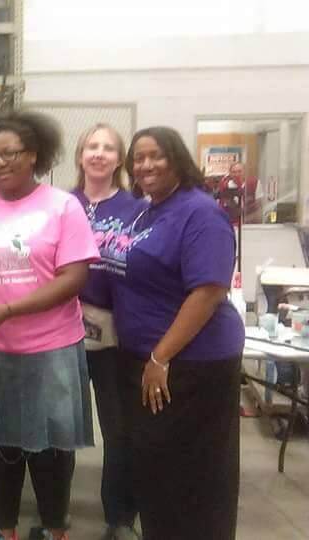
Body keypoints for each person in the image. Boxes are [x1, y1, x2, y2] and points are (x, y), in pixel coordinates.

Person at [0, 112, 98, 540]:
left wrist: (11, 309)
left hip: (51, 349)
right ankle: (5, 531)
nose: (1, 163)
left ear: (33, 155)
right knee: (5, 449)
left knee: (52, 452)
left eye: (11, 154)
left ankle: (56, 530)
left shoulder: (62, 206)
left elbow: (73, 278)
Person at [109, 127, 244, 539]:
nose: (145, 165)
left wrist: (160, 357)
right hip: (148, 361)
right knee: (156, 469)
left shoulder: (200, 212)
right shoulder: (146, 210)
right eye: (138, 158)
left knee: (195, 475)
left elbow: (208, 291)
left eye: (156, 156)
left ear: (177, 159)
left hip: (190, 365)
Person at [70, 125, 141, 540]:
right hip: (60, 330)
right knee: (57, 424)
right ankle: (52, 511)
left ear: (119, 159)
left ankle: (119, 517)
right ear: (80, 155)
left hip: (117, 336)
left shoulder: (137, 208)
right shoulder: (61, 204)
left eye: (108, 148)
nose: (99, 154)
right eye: (92, 146)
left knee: (119, 429)